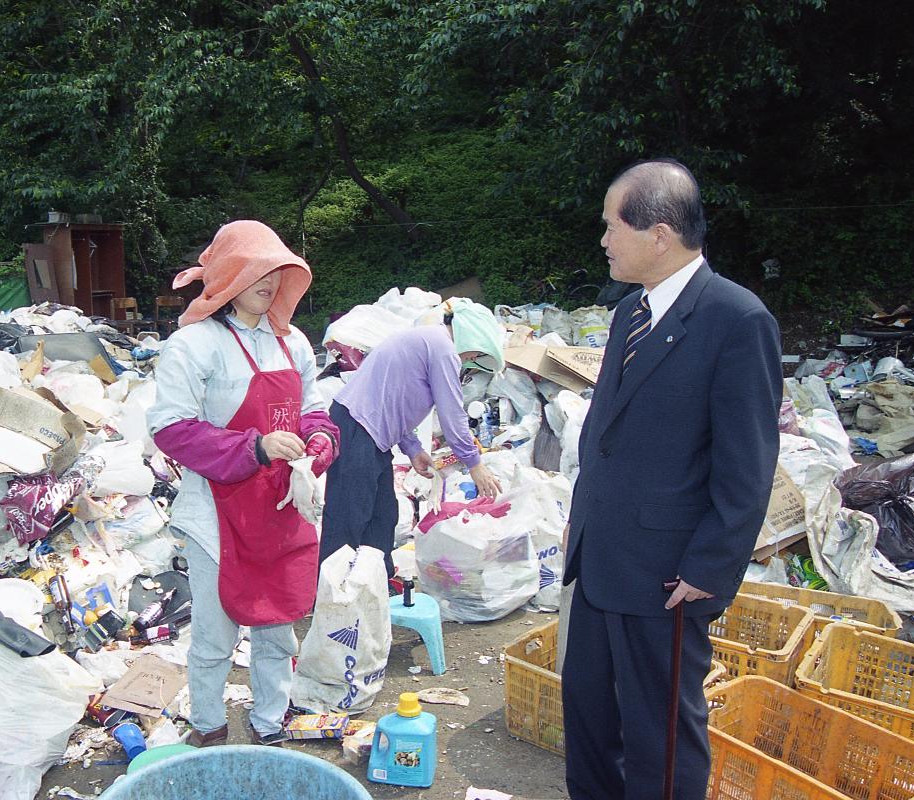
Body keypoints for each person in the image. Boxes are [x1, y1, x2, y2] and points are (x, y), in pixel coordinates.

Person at [560, 159, 781, 799]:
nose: (603, 240)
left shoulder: (737, 321)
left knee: (660, 736)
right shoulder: (629, 313)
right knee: (590, 715)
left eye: (611, 226)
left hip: (666, 576)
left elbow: (748, 466)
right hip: (601, 558)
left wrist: (709, 569)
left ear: (658, 234)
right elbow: (606, 433)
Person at [147, 220, 339, 747]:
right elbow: (172, 429)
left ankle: (270, 722)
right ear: (232, 274)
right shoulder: (194, 345)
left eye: (279, 271)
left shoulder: (293, 343)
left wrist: (319, 445)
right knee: (215, 633)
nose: (272, 282)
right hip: (217, 510)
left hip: (280, 507)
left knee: (278, 627)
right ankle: (208, 726)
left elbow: (315, 413)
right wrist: (255, 446)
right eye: (260, 270)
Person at [319, 297, 507, 581]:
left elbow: (393, 400)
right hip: (355, 428)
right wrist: (474, 464)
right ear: (472, 335)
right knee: (350, 514)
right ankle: (331, 592)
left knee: (382, 515)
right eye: (471, 355)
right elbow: (452, 413)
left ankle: (375, 585)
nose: (467, 360)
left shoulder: (428, 341)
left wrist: (413, 449)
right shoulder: (441, 345)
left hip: (370, 434)